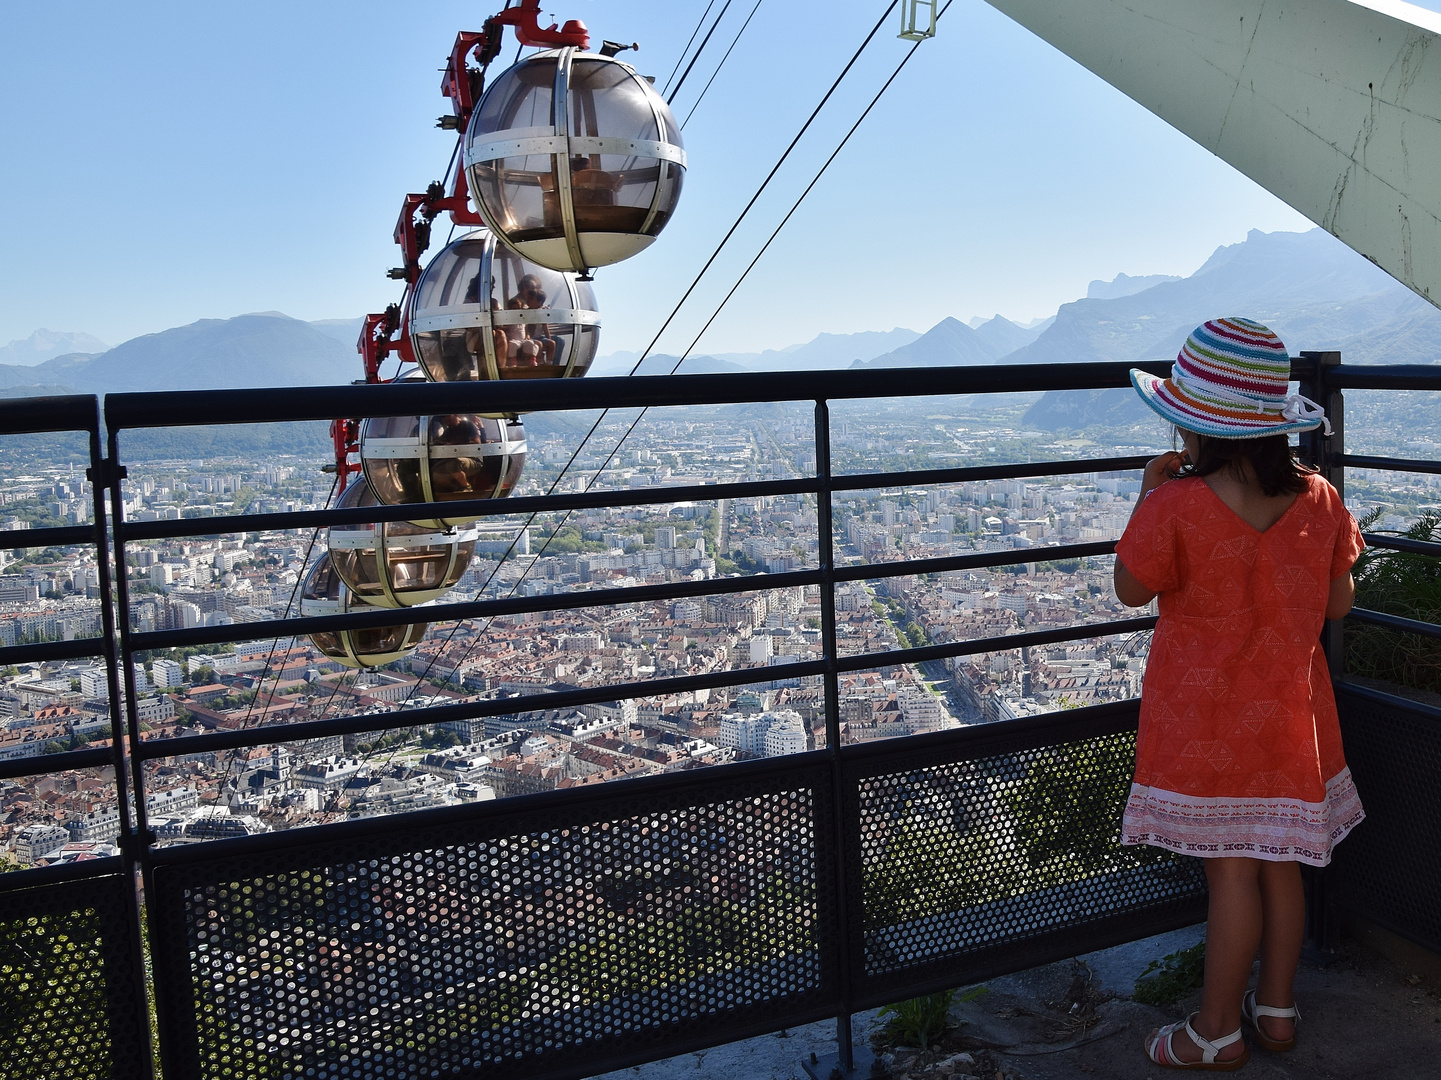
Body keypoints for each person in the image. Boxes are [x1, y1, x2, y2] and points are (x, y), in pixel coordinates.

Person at [1114, 317, 1365, 1070]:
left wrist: (1143, 495)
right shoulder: (1319, 498)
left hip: (1204, 719)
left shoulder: (1174, 505)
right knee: (1280, 862)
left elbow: (1131, 591)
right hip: (1290, 711)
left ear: (1195, 428)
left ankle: (1214, 1031)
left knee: (1229, 870)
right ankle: (1277, 1012)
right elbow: (1338, 605)